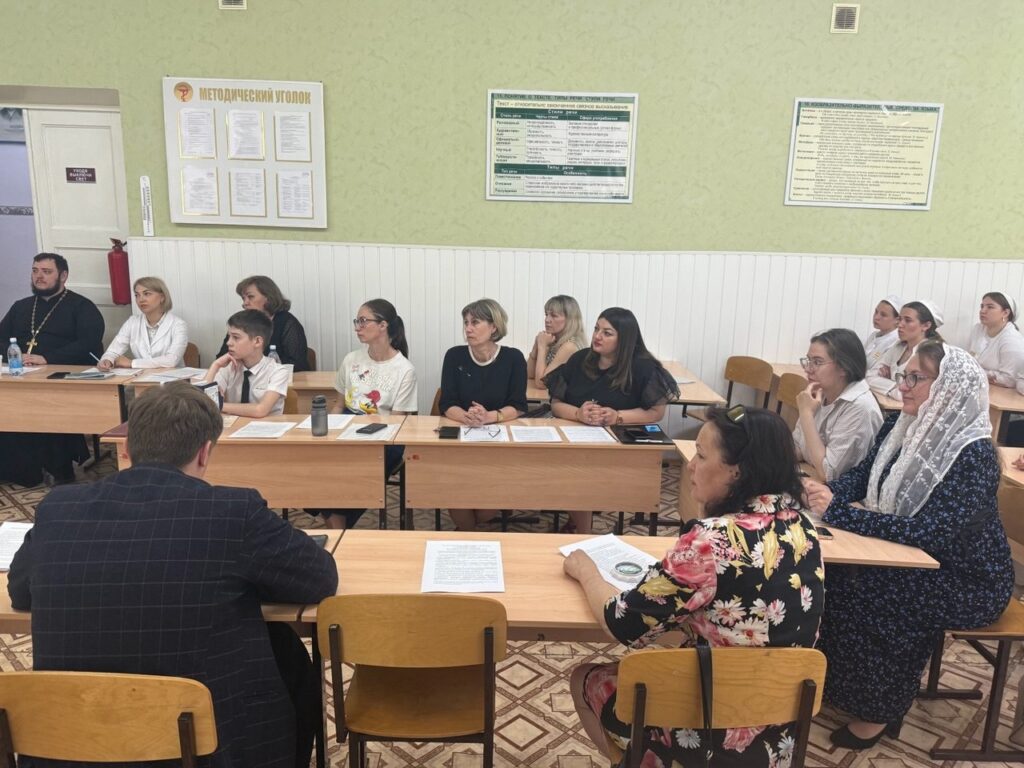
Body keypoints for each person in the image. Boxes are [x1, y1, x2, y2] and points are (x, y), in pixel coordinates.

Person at [8, 383, 338, 768]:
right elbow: (319, 578)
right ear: (205, 452)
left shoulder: (59, 508)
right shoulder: (232, 510)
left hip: (67, 745)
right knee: (284, 649)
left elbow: (20, 591)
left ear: (126, 447)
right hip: (198, 748)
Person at [563, 405, 824, 767]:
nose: (689, 466)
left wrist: (585, 570)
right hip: (778, 731)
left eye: (701, 455)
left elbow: (621, 623)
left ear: (737, 470)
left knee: (585, 679)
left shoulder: (710, 540)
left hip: (709, 734)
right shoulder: (804, 527)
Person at [803, 342, 1014, 749]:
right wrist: (821, 493)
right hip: (915, 558)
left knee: (882, 590)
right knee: (835, 574)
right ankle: (843, 686)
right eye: (904, 375)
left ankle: (879, 710)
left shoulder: (973, 455)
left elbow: (929, 533)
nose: (903, 385)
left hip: (968, 580)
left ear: (950, 388)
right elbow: (864, 477)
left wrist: (840, 513)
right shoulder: (900, 425)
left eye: (917, 378)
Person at [544, 307, 679, 533]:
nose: (597, 336)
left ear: (624, 339)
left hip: (619, 443)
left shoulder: (643, 367)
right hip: (577, 439)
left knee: (583, 473)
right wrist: (578, 414)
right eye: (596, 329)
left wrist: (618, 416)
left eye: (607, 333)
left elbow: (656, 412)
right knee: (572, 467)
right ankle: (582, 529)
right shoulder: (579, 360)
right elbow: (556, 404)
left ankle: (581, 529)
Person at [0, 252, 104, 486]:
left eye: (46, 272)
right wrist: (15, 354)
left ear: (63, 276)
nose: (39, 276)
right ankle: (18, 471)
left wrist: (47, 358)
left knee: (48, 406)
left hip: (61, 380)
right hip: (20, 377)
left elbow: (89, 343)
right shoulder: (21, 307)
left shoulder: (81, 307)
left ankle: (59, 469)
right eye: (35, 271)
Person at [312, 299, 417, 529]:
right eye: (356, 321)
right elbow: (339, 405)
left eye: (363, 321)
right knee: (316, 464)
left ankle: (338, 524)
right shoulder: (351, 360)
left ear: (383, 325)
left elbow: (397, 421)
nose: (357, 327)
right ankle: (338, 524)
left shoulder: (404, 369)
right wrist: (329, 433)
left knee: (356, 471)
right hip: (347, 429)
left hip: (385, 438)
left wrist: (363, 430)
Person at [439, 298, 527, 530]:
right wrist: (466, 416)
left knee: (488, 501)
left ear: (494, 327)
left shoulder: (513, 358)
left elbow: (518, 405)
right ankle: (468, 531)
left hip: (498, 438)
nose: (468, 328)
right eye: (466, 322)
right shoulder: (454, 356)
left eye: (475, 322)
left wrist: (489, 416)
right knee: (454, 485)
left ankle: (471, 527)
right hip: (461, 434)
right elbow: (447, 403)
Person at [794, 328, 883, 482]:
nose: (808, 369)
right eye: (808, 361)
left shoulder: (860, 407)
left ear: (844, 367)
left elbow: (828, 474)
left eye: (817, 362)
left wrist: (806, 415)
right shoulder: (821, 392)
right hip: (813, 479)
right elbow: (799, 448)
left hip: (835, 492)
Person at [202, 309, 290, 417]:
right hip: (234, 426)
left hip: (266, 426)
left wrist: (217, 405)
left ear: (257, 341)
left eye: (236, 337)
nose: (228, 343)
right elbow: (200, 401)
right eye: (229, 337)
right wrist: (215, 365)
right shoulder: (228, 367)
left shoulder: (278, 371)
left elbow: (260, 410)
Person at [216, 275, 310, 371]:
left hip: (282, 378)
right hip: (244, 377)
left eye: (250, 297)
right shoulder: (240, 323)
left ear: (268, 297)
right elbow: (222, 359)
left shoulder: (287, 322)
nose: (245, 303)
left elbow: (297, 364)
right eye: (243, 298)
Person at [98, 276, 188, 369]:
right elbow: (113, 351)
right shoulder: (132, 322)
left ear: (162, 297)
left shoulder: (178, 324)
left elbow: (171, 360)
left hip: (172, 377)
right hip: (142, 377)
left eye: (147, 294)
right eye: (137, 295)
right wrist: (107, 360)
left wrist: (132, 363)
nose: (141, 299)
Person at [865, 300, 943, 401]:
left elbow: (911, 395)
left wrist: (887, 383)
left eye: (908, 320)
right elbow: (869, 376)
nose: (900, 325)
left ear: (926, 326)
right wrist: (896, 386)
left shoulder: (929, 355)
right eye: (900, 319)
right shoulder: (898, 346)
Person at [526, 294, 587, 388]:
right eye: (546, 314)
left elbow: (542, 383)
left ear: (570, 319)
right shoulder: (553, 340)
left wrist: (542, 347)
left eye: (554, 316)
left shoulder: (570, 346)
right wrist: (536, 347)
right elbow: (529, 374)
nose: (547, 320)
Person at [967, 292, 1024, 388]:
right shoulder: (978, 329)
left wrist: (975, 373)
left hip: (1001, 392)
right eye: (982, 306)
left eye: (990, 307)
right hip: (978, 385)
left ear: (1005, 313)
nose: (982, 311)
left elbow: (1009, 380)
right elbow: (968, 361)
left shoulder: (1012, 339)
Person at [863, 295, 902, 367]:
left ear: (897, 320)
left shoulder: (895, 343)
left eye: (883, 315)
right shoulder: (873, 336)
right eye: (876, 312)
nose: (876, 317)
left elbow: (878, 370)